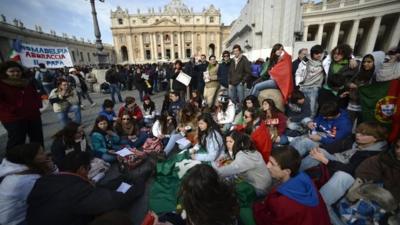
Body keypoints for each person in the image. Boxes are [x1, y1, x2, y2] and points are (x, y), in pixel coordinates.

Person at [299, 121, 388, 225]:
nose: (358, 135)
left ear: (376, 138)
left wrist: (325, 160)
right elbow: (334, 147)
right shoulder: (353, 138)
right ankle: (293, 174)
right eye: (358, 132)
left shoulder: (374, 154)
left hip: (351, 176)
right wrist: (319, 150)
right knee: (312, 146)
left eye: (364, 134)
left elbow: (352, 170)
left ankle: (318, 205)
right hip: (336, 160)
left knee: (342, 176)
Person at [26, 151, 145, 225]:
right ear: (82, 169)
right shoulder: (78, 191)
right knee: (117, 218)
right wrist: (139, 183)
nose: (90, 171)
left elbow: (96, 189)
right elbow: (115, 200)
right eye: (89, 167)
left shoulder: (45, 180)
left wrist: (122, 178)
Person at [253, 146, 331, 225]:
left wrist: (257, 207)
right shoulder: (307, 180)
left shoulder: (281, 202)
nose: (267, 166)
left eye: (272, 164)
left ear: (287, 171)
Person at [0, 143, 54, 225]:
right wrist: (51, 170)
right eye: (41, 153)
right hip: (15, 221)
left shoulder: (17, 171)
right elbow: (51, 193)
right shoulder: (24, 180)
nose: (45, 154)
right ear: (30, 158)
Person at [0, 61, 44, 149]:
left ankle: (39, 158)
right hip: (14, 118)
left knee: (37, 139)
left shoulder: (26, 82)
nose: (16, 73)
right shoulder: (2, 84)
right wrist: (14, 109)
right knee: (17, 141)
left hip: (32, 115)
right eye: (12, 71)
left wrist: (37, 105)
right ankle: (14, 161)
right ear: (5, 72)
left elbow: (34, 94)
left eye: (18, 71)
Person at [214, 131, 272, 196]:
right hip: (264, 184)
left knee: (226, 187)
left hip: (259, 188)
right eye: (227, 141)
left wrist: (211, 173)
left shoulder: (244, 156)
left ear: (239, 143)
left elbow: (227, 170)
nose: (227, 144)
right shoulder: (250, 151)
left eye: (231, 141)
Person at [355, 137, 400, 202]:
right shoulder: (384, 158)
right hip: (369, 194)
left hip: (391, 203)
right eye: (397, 147)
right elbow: (363, 173)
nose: (398, 151)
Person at [295, 45, 325, 117]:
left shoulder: (324, 61)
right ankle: (305, 122)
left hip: (314, 88)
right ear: (312, 54)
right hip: (303, 87)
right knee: (302, 107)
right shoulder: (305, 61)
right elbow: (298, 72)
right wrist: (298, 84)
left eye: (320, 53)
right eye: (316, 53)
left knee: (312, 108)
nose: (319, 55)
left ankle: (311, 124)